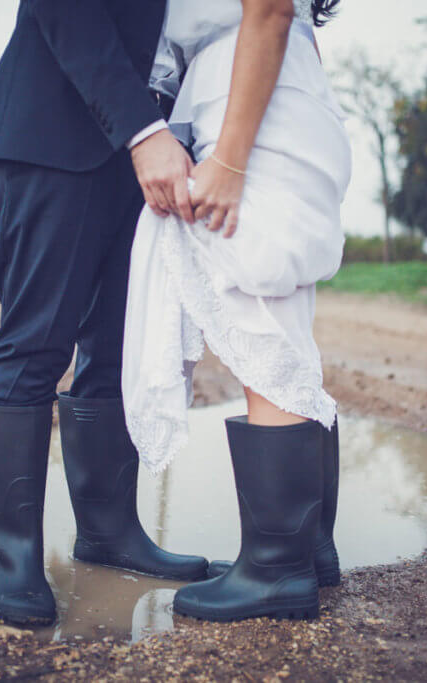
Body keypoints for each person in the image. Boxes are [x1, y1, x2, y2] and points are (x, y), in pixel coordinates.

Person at [0, 0, 210, 627]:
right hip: (57, 131)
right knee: (35, 345)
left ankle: (109, 533)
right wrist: (142, 128)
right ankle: (16, 559)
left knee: (117, 347)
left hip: (150, 155)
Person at [122, 0, 350, 621]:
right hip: (275, 96)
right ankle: (305, 552)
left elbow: (270, 8)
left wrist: (229, 158)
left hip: (253, 112)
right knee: (283, 325)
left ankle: (276, 572)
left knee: (262, 318)